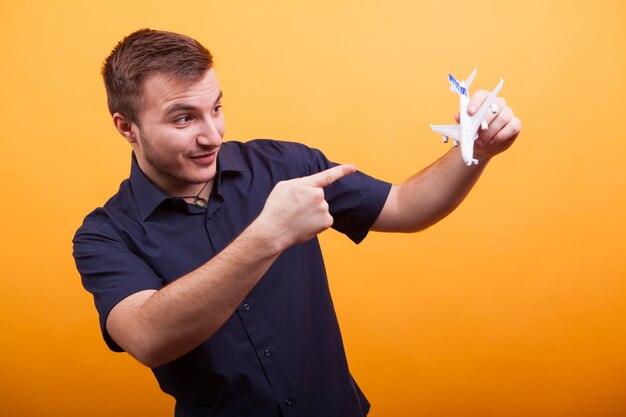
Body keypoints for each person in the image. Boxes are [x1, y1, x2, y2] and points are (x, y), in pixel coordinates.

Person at [73, 28, 521, 417]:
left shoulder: (284, 165)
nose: (213, 134)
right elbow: (148, 338)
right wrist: (269, 235)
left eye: (216, 108)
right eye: (184, 118)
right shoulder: (105, 234)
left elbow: (404, 206)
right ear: (127, 127)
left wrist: (477, 150)